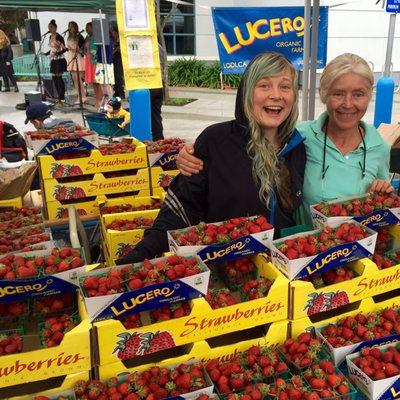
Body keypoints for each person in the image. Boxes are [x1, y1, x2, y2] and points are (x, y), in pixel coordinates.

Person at [117, 51, 306, 264]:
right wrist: (136, 258)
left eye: (285, 86)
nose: (276, 95)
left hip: (282, 277)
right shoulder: (216, 141)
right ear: (246, 92)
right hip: (226, 276)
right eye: (264, 85)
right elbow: (180, 210)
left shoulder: (297, 148)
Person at [177, 53, 393, 226]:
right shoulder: (302, 138)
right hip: (286, 256)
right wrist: (188, 154)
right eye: (338, 94)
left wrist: (383, 195)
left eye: (358, 94)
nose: (348, 103)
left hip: (344, 258)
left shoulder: (379, 148)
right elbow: (185, 201)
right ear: (324, 94)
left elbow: (380, 208)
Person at [45, 20, 67, 103]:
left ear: (55, 28)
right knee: (54, 78)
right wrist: (46, 53)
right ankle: (58, 96)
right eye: (49, 27)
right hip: (53, 60)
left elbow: (65, 49)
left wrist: (58, 53)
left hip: (59, 59)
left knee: (59, 78)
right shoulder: (50, 37)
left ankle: (62, 97)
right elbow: (52, 49)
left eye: (51, 27)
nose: (50, 29)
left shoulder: (59, 37)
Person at [66, 21, 86, 104]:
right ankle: (79, 95)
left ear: (75, 27)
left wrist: (74, 49)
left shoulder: (79, 36)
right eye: (69, 26)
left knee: (78, 79)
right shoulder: (69, 37)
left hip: (78, 58)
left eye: (71, 26)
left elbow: (83, 49)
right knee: (74, 80)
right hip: (72, 57)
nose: (70, 28)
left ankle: (83, 96)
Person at [84, 22, 102, 108]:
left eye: (88, 27)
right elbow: (84, 49)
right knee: (93, 82)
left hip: (95, 61)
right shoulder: (88, 38)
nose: (86, 29)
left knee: (98, 81)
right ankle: (97, 99)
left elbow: (98, 49)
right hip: (88, 60)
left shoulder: (97, 37)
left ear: (92, 28)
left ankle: (101, 100)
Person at [109, 22, 125, 99]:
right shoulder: (114, 40)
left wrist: (116, 50)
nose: (112, 34)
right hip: (115, 59)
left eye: (112, 32)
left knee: (118, 76)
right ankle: (117, 91)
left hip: (119, 60)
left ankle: (120, 92)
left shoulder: (121, 40)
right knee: (115, 76)